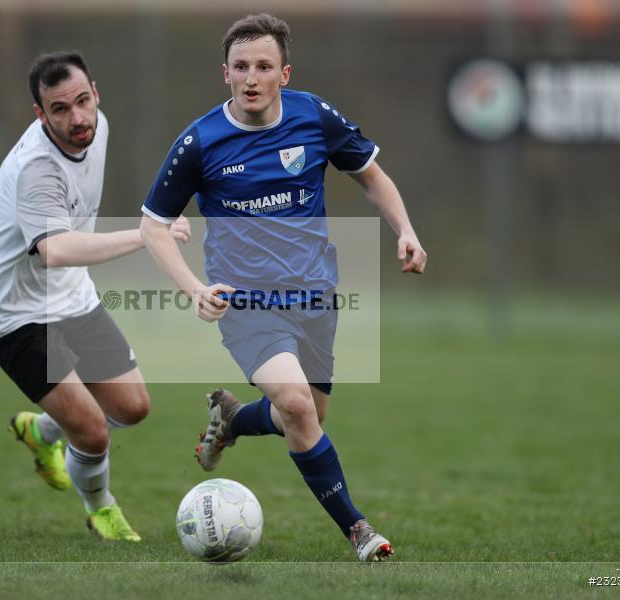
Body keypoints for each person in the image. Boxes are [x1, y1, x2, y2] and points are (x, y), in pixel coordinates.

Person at [139, 14, 426, 562]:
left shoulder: (313, 117)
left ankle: (230, 419)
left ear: (284, 74)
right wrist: (194, 287)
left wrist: (406, 231)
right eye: (241, 66)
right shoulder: (199, 142)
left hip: (316, 297)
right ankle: (359, 530)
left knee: (307, 417)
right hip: (246, 303)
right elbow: (154, 224)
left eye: (263, 66)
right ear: (225, 73)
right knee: (296, 405)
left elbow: (371, 175)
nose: (251, 77)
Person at [0, 51, 190, 543]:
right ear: (40, 114)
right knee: (92, 430)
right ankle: (101, 510)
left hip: (70, 297)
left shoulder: (99, 126)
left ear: (95, 90)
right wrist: (147, 234)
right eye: (61, 110)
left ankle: (42, 432)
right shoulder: (36, 169)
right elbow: (57, 249)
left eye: (83, 101)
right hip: (13, 314)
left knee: (133, 407)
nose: (78, 118)